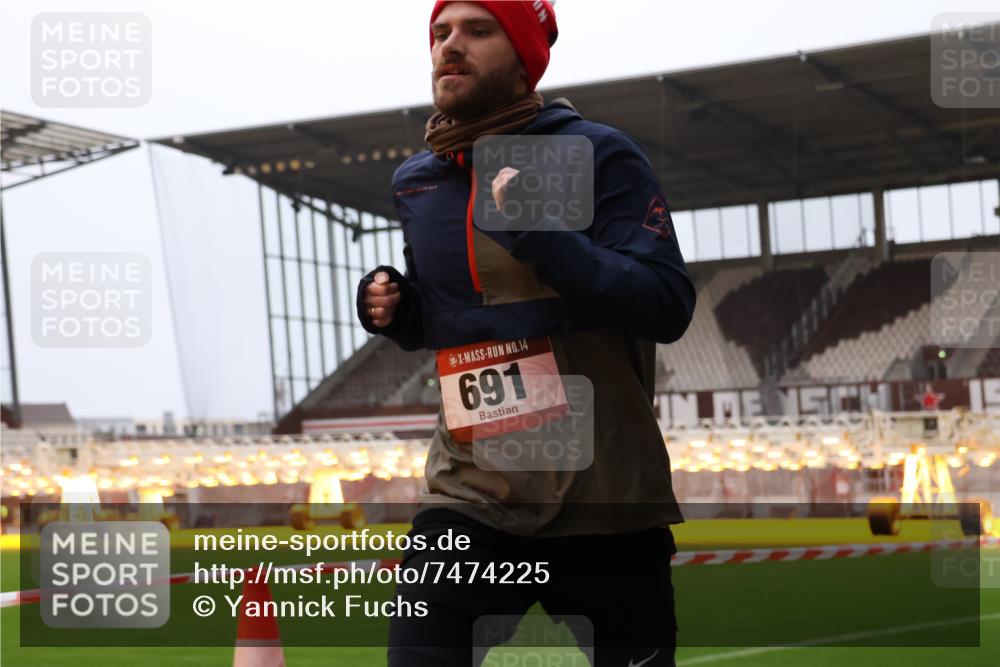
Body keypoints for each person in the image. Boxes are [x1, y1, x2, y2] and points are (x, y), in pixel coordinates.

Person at [357, 2, 696, 664]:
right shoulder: (418, 181)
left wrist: (545, 240)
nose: (450, 46)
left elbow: (666, 304)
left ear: (524, 60)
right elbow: (457, 317)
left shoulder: (595, 153)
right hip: (472, 493)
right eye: (440, 32)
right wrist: (401, 311)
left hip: (606, 504)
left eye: (478, 31)